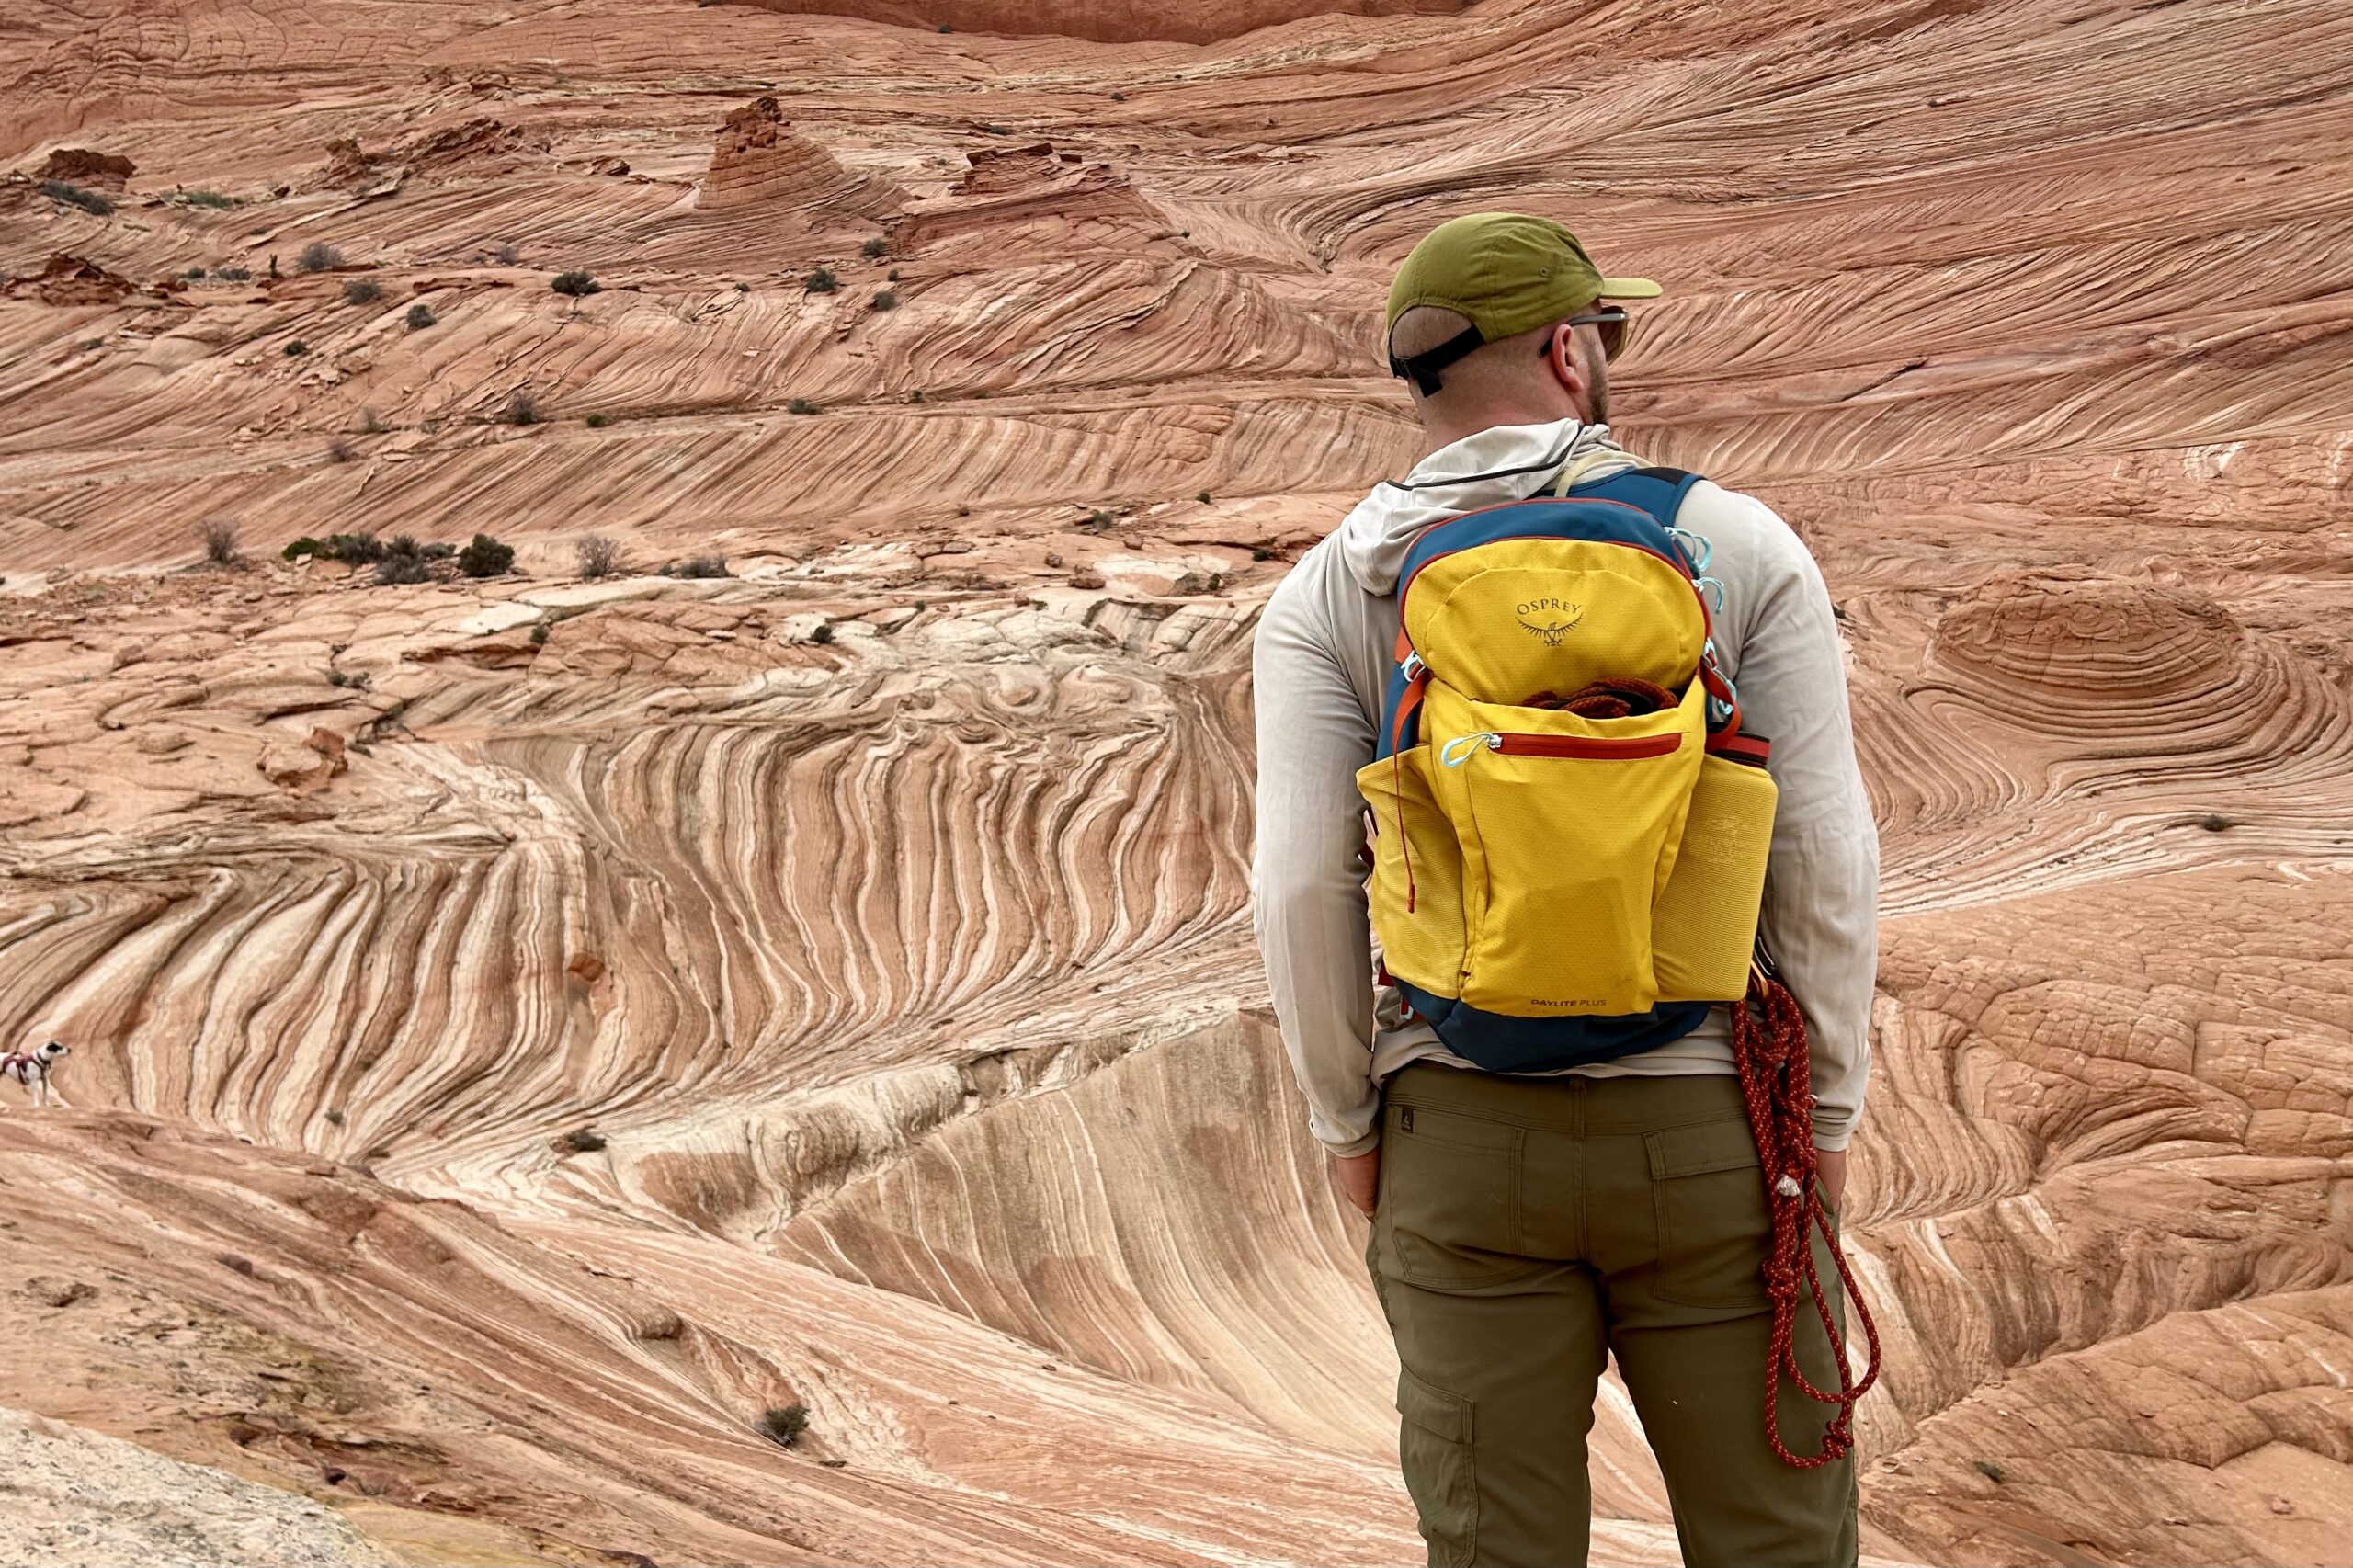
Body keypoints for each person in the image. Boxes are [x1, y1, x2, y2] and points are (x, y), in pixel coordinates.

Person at [1249, 212, 1879, 1567]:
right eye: (1607, 328)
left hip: (1460, 1138)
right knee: (1779, 1542)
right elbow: (1823, 856)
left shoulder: (1324, 595)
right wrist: (1819, 1123)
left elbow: (1303, 882)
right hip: (1709, 1127)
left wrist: (1349, 1126)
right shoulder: (1736, 545)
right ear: (1569, 355)